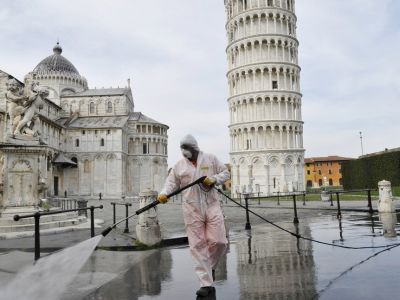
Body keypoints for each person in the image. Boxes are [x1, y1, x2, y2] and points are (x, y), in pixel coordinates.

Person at [157, 134, 229, 297]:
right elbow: (170, 184)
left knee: (219, 241)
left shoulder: (210, 159)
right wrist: (163, 194)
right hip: (191, 208)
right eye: (183, 151)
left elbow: (226, 173)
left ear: (195, 148)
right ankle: (206, 283)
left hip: (211, 205)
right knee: (197, 245)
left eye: (188, 150)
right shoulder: (179, 166)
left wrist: (214, 179)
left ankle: (209, 267)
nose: (185, 153)